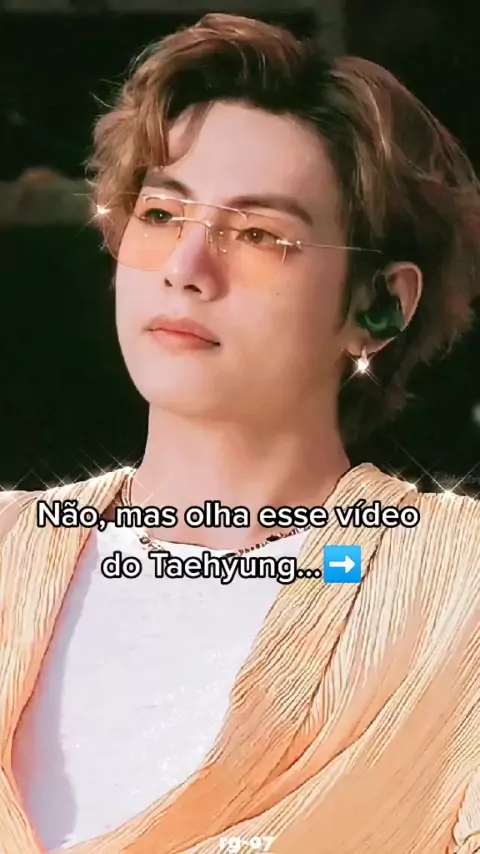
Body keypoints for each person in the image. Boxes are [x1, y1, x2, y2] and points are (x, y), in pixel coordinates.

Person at [1, 12, 480, 854]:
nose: (187, 269)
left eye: (259, 235)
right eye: (160, 215)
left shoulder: (456, 596)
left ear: (378, 305)